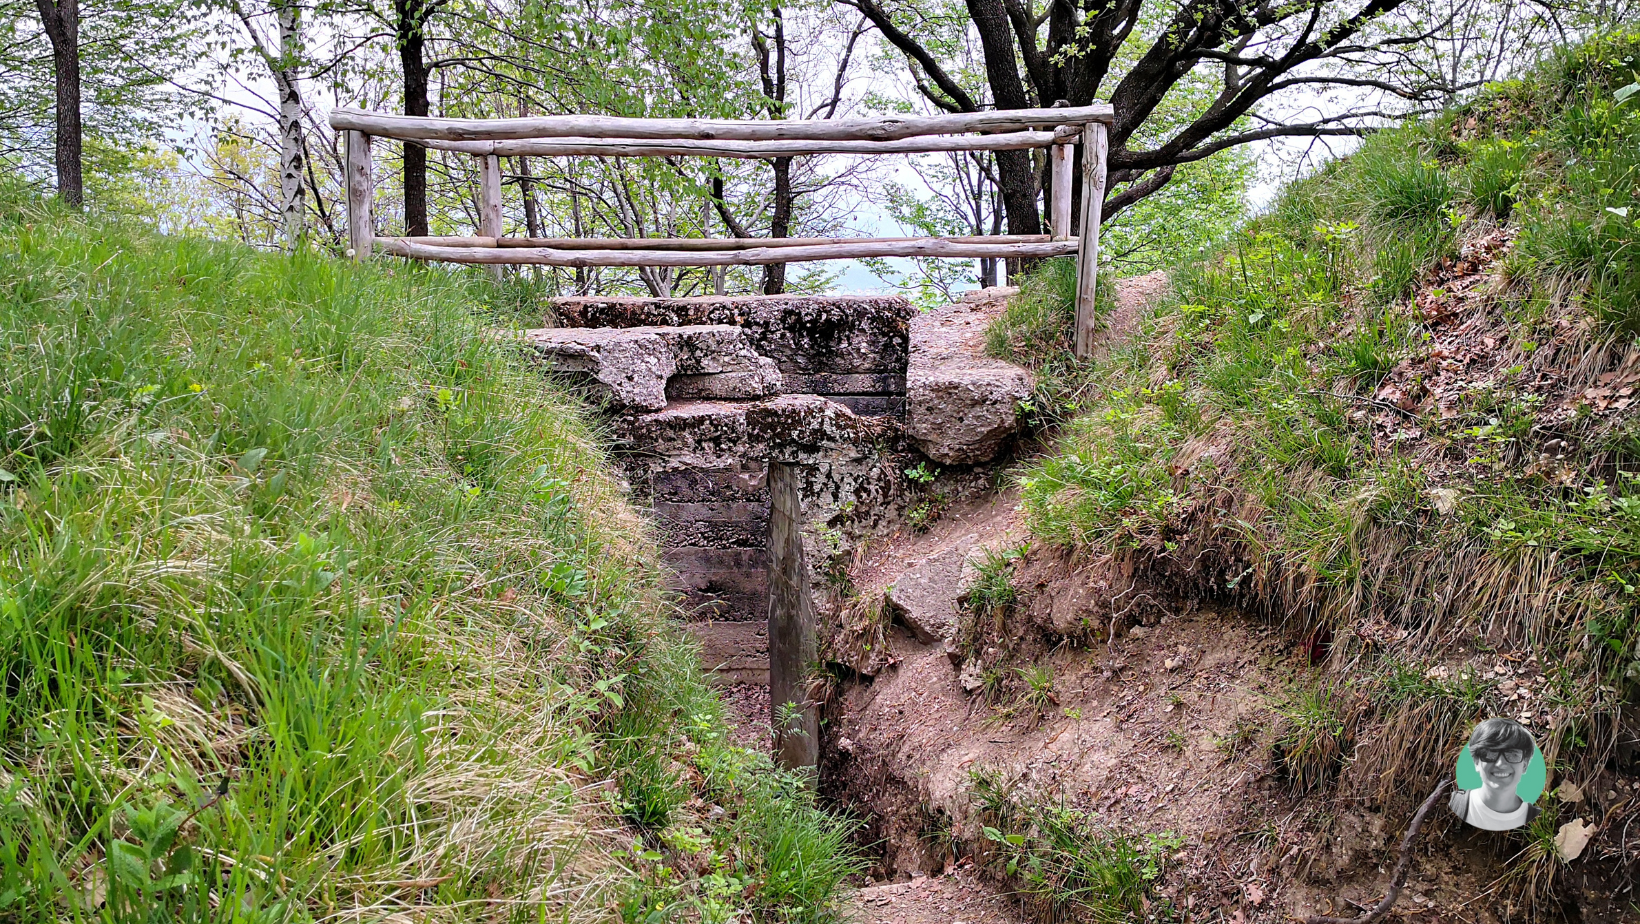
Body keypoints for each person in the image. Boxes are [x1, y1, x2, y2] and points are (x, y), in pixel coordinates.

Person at [1449, 717, 1539, 831]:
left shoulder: (1534, 817)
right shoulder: (1455, 803)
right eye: (1491, 753)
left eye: (1512, 754)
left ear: (1525, 765)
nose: (1500, 763)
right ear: (1476, 762)